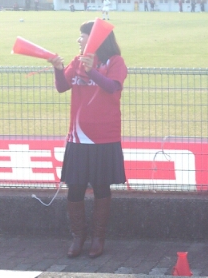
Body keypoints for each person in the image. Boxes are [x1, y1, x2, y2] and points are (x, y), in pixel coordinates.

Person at [48, 21, 128, 259]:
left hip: (104, 137)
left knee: (101, 187)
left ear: (96, 39)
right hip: (78, 138)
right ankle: (78, 237)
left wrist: (91, 70)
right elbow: (62, 87)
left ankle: (98, 238)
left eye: (82, 36)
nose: (79, 40)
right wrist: (58, 68)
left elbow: (112, 87)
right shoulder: (77, 61)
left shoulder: (115, 62)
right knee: (75, 188)